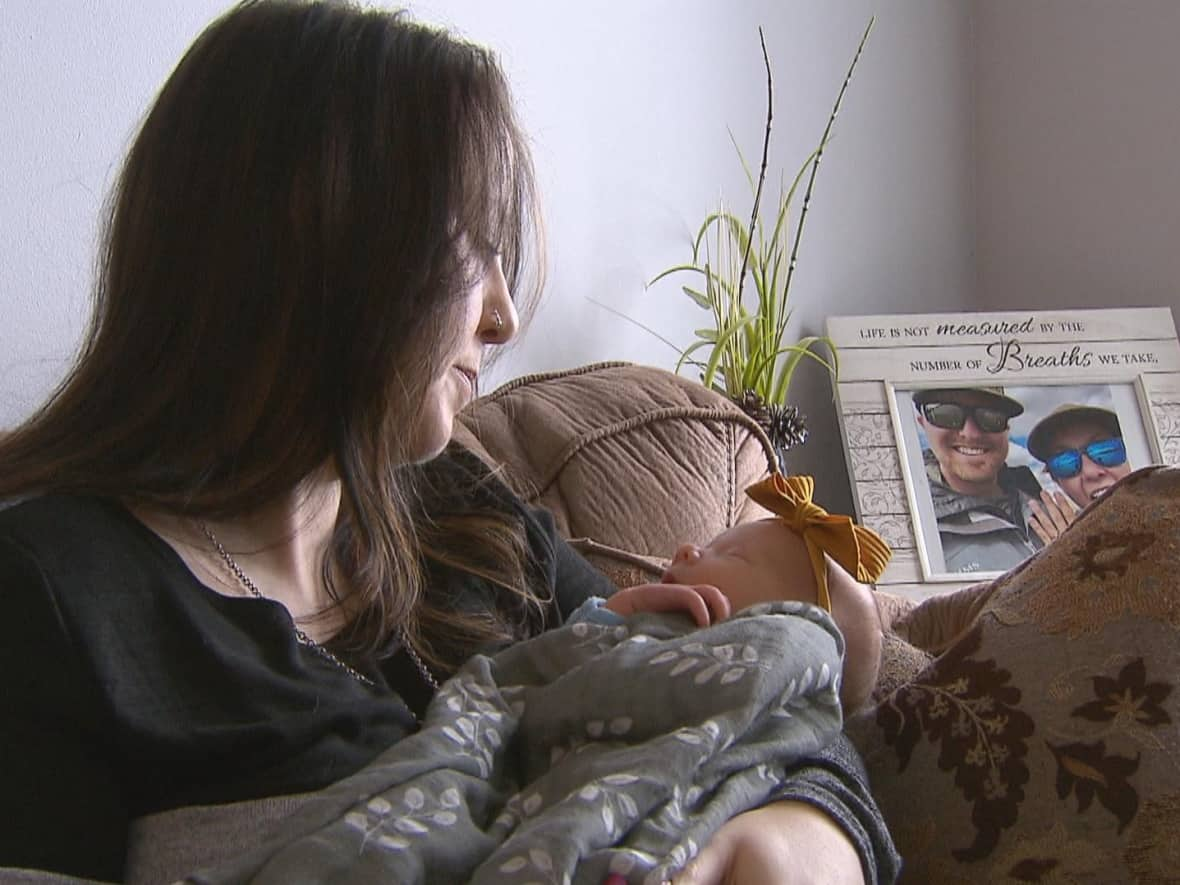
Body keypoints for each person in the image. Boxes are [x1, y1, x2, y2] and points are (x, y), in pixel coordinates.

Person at [0, 3, 898, 884]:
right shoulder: (52, 597)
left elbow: (766, 718)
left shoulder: (468, 510)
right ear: (323, 246)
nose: (503, 317)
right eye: (473, 249)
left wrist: (787, 844)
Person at [589, 474, 892, 714]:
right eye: (710, 545)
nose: (685, 550)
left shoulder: (732, 707)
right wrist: (616, 611)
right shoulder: (643, 616)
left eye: (730, 555)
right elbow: (564, 653)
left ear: (784, 634)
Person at [913, 387, 1045, 573]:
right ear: (923, 423)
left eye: (991, 416)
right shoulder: (909, 529)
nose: (971, 433)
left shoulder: (1047, 506)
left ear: (1007, 429)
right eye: (945, 414)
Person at [1024, 403, 1133, 543]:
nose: (1090, 472)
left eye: (1104, 450)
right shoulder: (1063, 545)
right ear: (1057, 481)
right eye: (1066, 462)